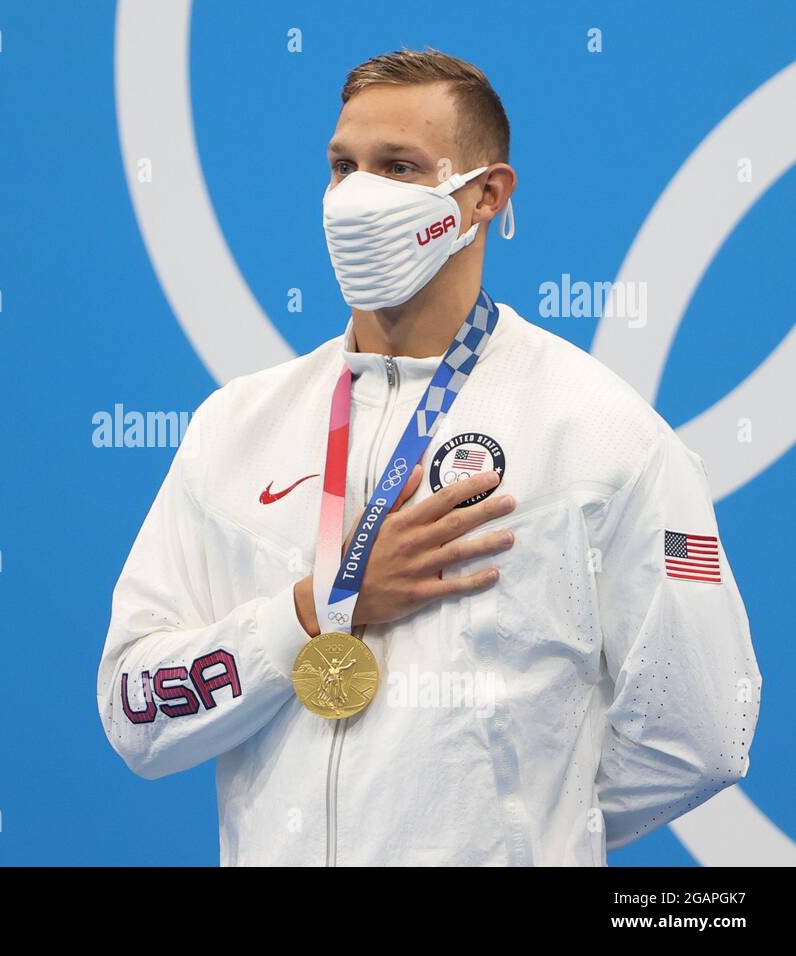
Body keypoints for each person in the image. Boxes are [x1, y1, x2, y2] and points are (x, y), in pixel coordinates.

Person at [96, 48, 761, 866]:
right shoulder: (234, 426)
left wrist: (516, 835)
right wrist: (313, 612)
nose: (355, 198)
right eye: (343, 166)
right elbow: (136, 712)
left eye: (398, 167)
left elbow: (700, 734)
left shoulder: (605, 437)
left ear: (487, 194)